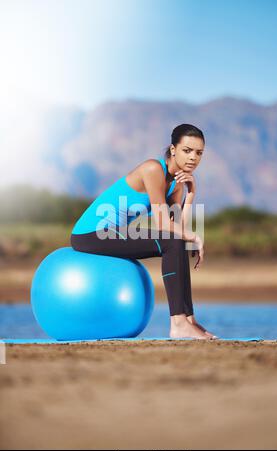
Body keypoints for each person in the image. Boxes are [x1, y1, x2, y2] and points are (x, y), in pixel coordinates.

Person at [70, 123, 218, 340]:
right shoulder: (153, 169)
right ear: (173, 149)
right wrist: (195, 237)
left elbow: (177, 229)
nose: (193, 158)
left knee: (175, 241)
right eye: (187, 151)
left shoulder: (176, 184)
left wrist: (191, 195)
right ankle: (178, 323)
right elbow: (162, 223)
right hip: (90, 234)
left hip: (112, 233)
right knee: (173, 242)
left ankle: (188, 320)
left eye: (199, 153)